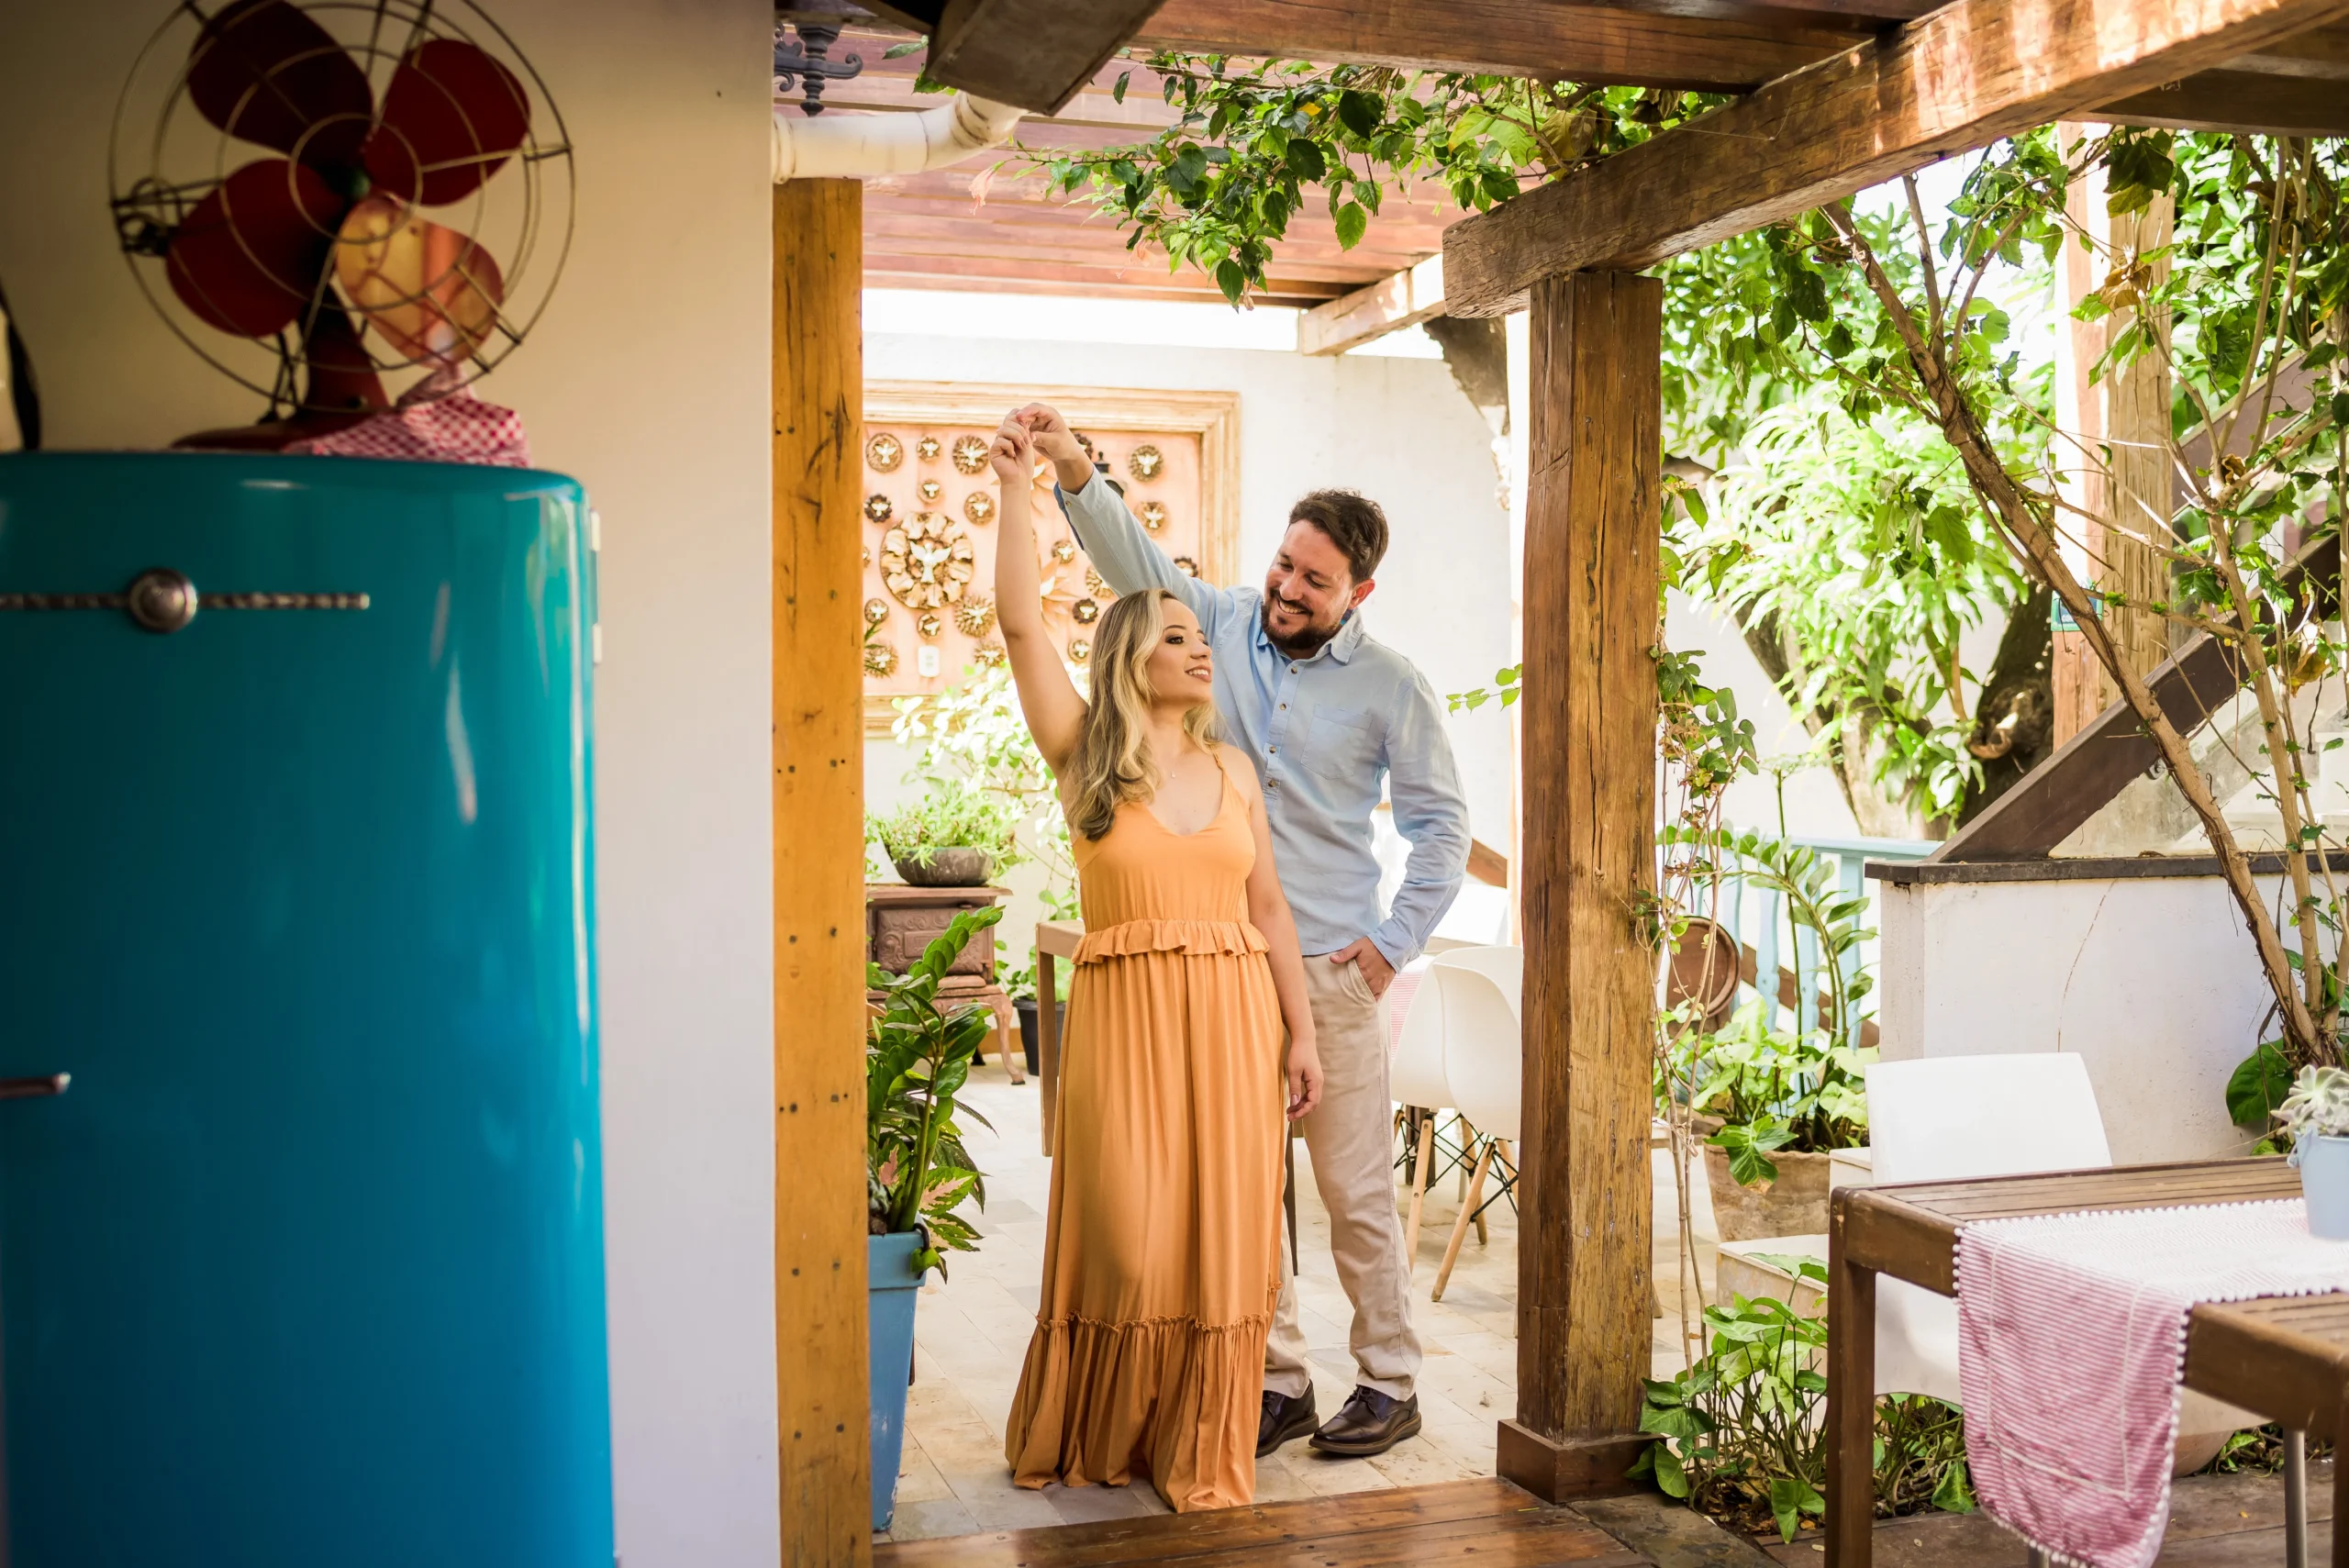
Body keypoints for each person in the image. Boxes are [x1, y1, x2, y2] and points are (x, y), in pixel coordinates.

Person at [1013, 403, 1470, 1462]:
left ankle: (1389, 1379)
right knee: (1240, 1188)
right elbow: (1128, 556)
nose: (1286, 588)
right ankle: (1277, 1379)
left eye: (1314, 580)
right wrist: (1073, 464)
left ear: (1357, 593)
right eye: (1284, 564)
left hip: (1328, 966)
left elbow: (1442, 828)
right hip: (1221, 967)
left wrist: (1391, 942)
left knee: (1353, 1189)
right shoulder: (1214, 622)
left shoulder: (1391, 686)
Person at [991, 420, 1326, 1514]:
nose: (1198, 647)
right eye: (1174, 633)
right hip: (1124, 1024)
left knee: (1222, 1246)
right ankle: (1104, 1425)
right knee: (1130, 1238)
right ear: (1130, 655)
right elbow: (1020, 624)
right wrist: (1017, 488)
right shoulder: (1084, 753)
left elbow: (1268, 908)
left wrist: (1303, 1033)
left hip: (1235, 1022)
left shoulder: (1233, 769)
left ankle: (1194, 1436)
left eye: (1198, 634)